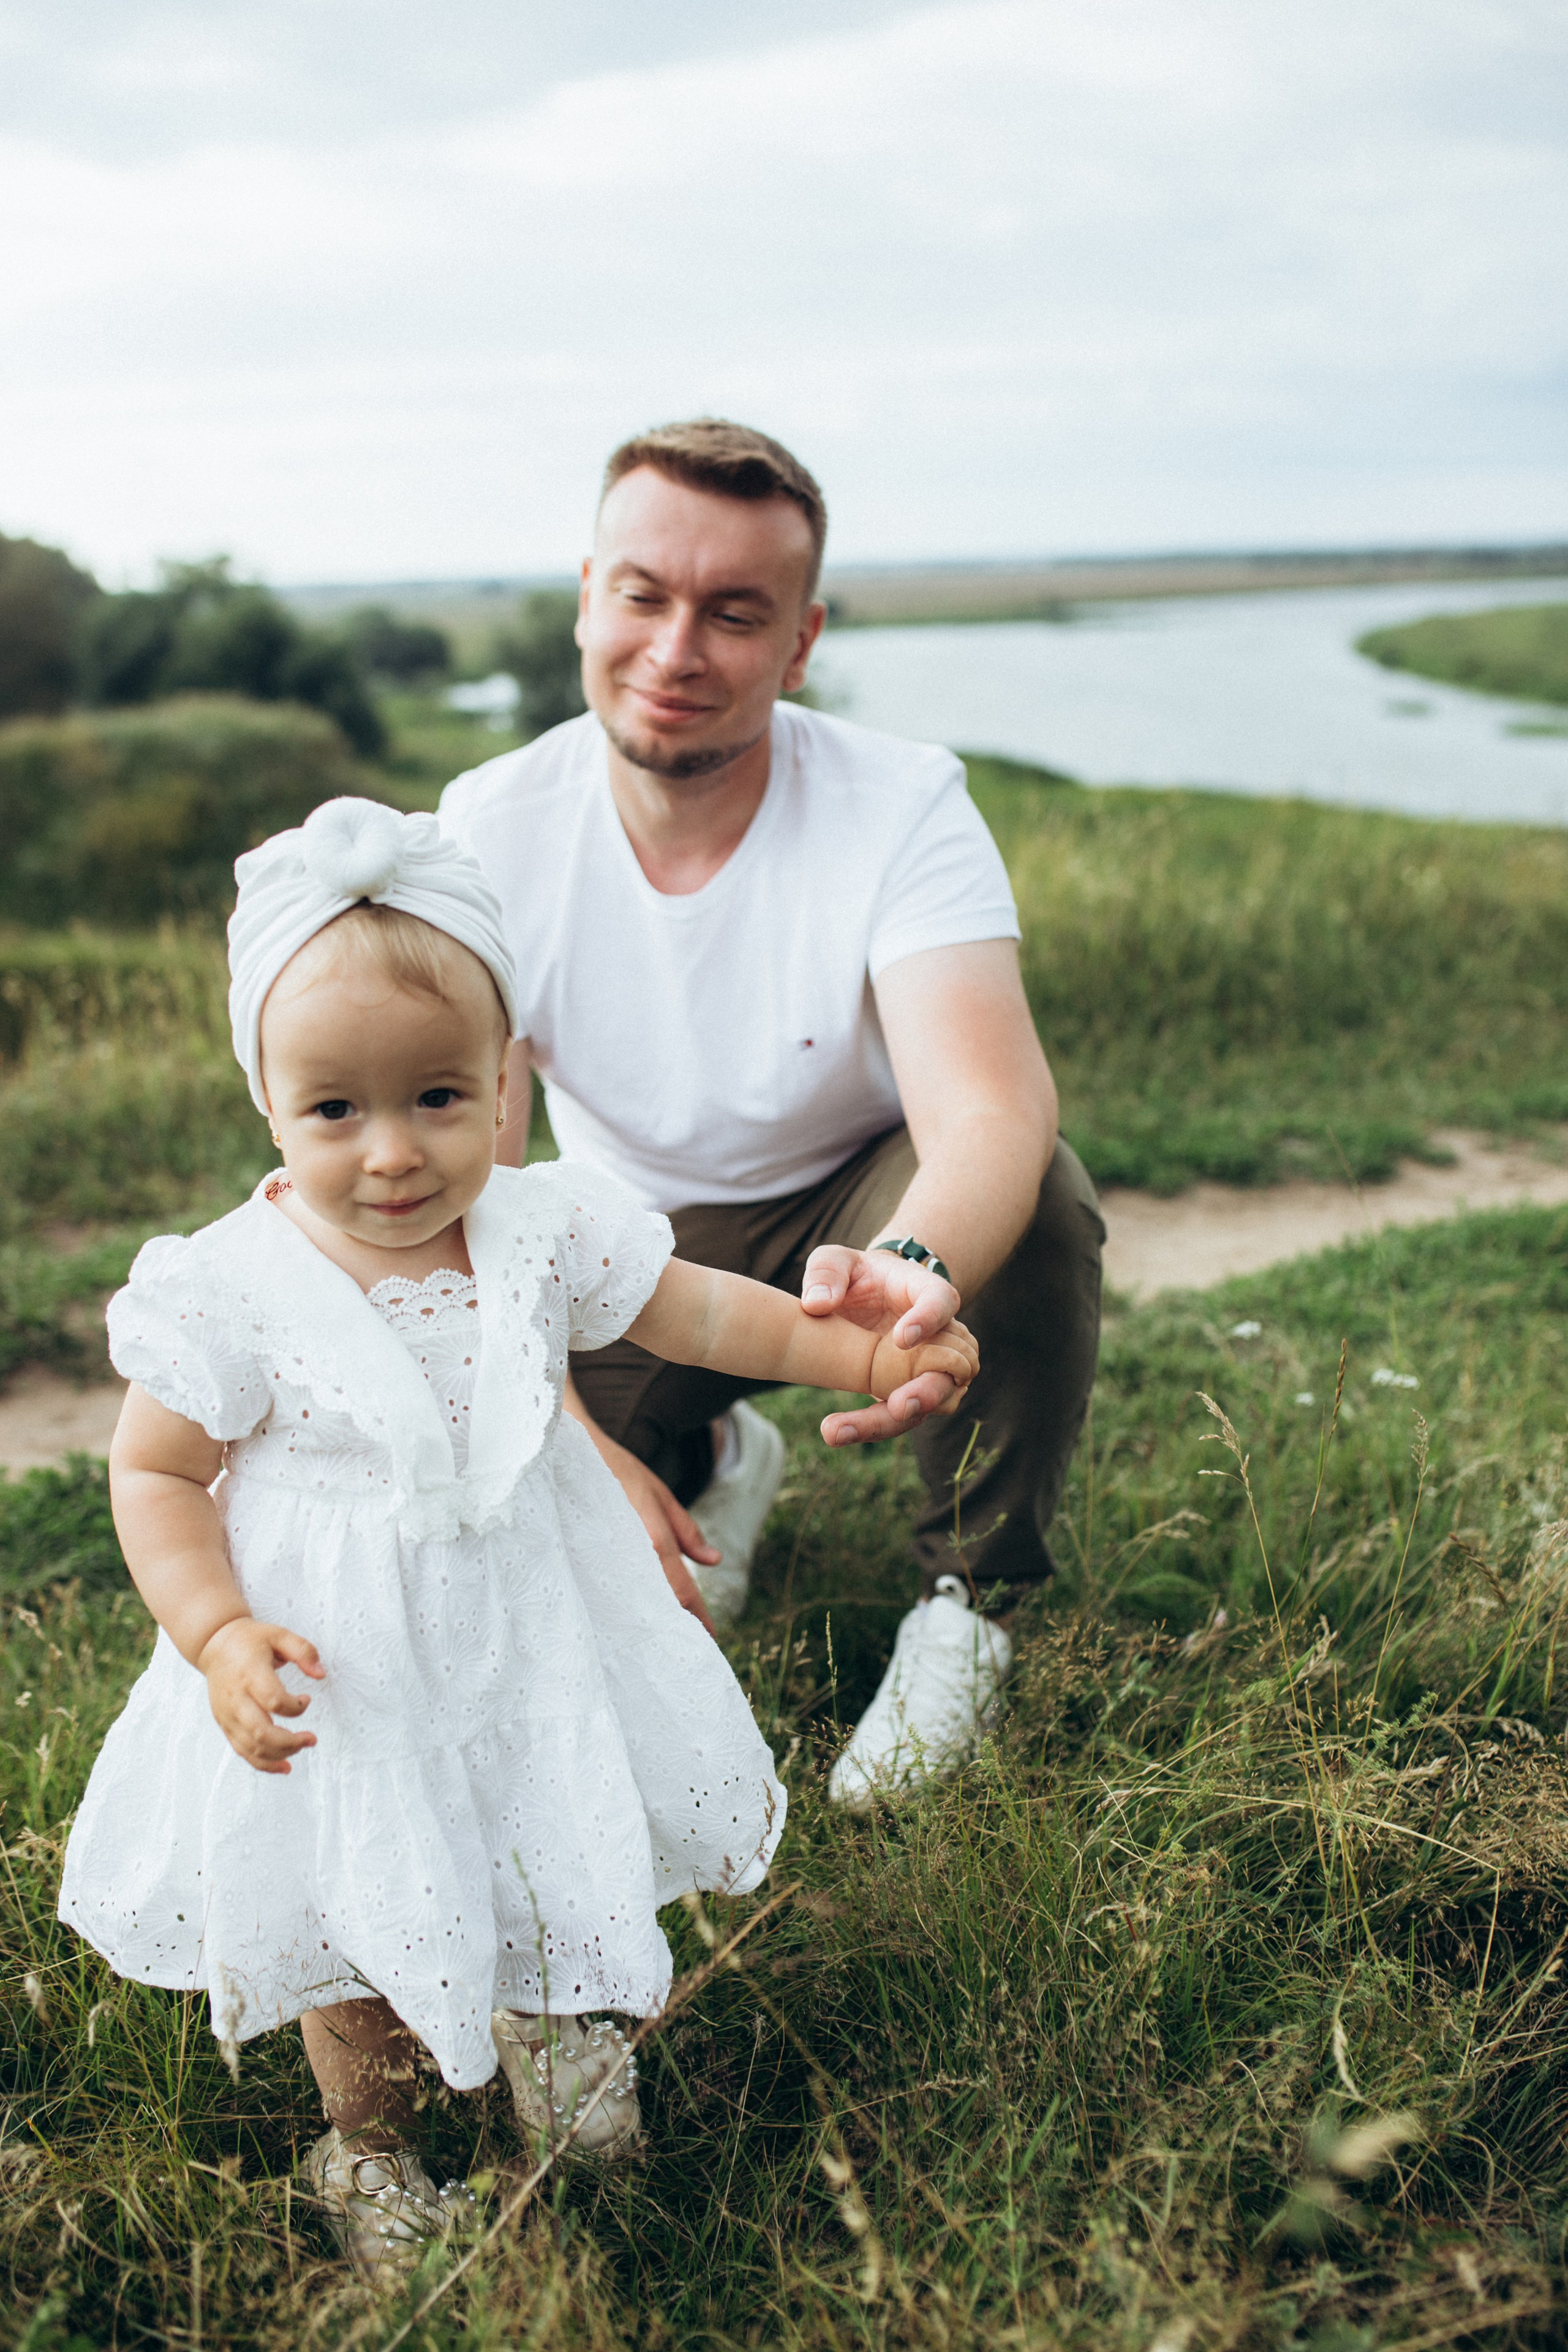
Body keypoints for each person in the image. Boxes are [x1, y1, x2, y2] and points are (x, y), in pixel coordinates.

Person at [56, 798, 976, 2282]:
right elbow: (158, 1474)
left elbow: (704, 1313)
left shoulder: (546, 1226)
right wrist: (219, 1633)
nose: (394, 1152)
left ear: (502, 1084)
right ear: (270, 1106)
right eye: (335, 1110)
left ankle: (553, 2045)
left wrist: (865, 1359)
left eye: (437, 1097)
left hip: (532, 1627)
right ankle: (367, 2139)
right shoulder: (226, 1288)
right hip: (339, 1660)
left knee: (548, 1835)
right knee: (357, 1911)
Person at [440, 419, 1104, 1809]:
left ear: (799, 643)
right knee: (482, 1477)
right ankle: (711, 1456)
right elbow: (469, 1203)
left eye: (733, 613)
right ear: (585, 597)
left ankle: (965, 1608)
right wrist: (567, 1436)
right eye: (642, 595)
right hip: (628, 1242)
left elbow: (987, 1105)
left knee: (1037, 1198)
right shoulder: (487, 828)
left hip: (852, 1216)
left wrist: (911, 1275)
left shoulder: (899, 801)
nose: (676, 649)